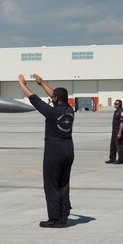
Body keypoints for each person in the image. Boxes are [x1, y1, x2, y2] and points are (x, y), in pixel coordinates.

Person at [18, 73, 75, 228]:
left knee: (51, 185)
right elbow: (55, 95)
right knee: (63, 184)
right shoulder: (70, 110)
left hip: (54, 151)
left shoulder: (51, 112)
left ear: (56, 99)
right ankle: (63, 215)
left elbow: (34, 99)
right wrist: (42, 82)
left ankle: (55, 220)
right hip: (68, 150)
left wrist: (23, 84)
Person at [107, 99, 123, 164]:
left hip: (119, 132)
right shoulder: (116, 111)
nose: (115, 105)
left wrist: (120, 132)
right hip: (114, 131)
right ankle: (112, 158)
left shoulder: (122, 112)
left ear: (120, 104)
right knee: (113, 145)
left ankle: (120, 159)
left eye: (116, 104)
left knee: (119, 145)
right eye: (114, 104)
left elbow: (122, 122)